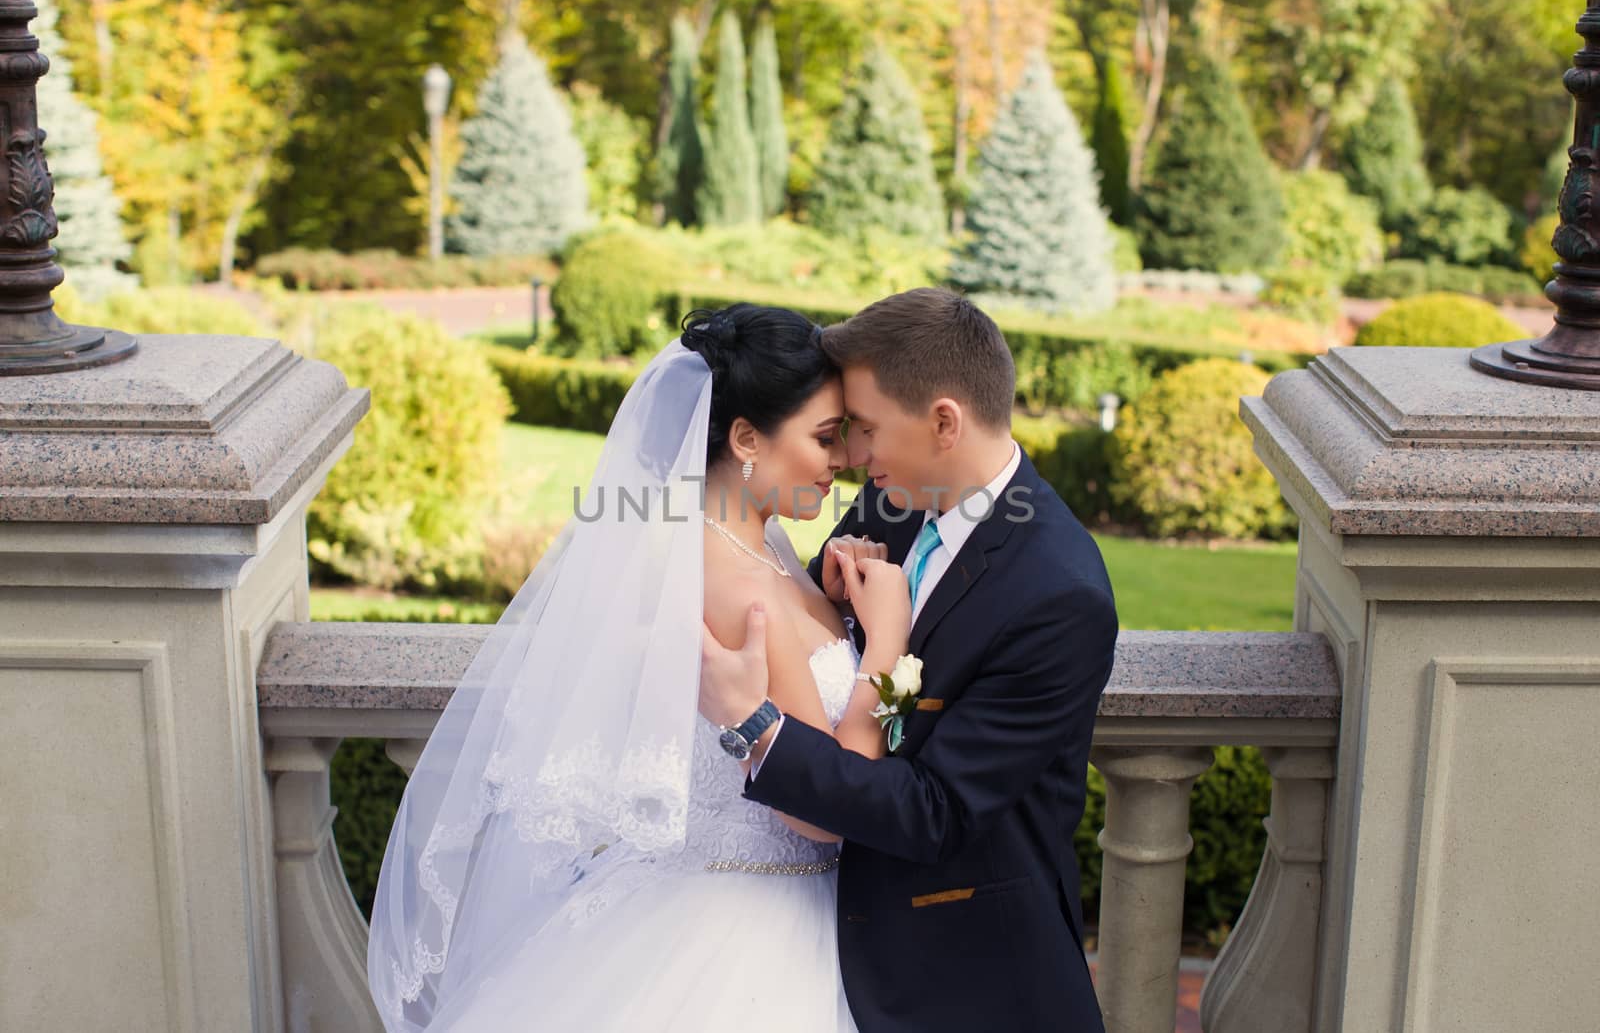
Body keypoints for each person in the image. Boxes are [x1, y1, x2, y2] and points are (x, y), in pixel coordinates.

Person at [367, 303, 912, 1032]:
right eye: (823, 437)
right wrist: (883, 643)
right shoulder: (737, 585)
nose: (843, 459)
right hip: (753, 930)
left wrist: (837, 609)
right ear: (746, 437)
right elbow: (819, 814)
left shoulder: (757, 541)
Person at [700, 286, 1120, 1033]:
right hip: (808, 939)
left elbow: (934, 810)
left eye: (863, 429)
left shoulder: (1059, 593)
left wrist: (752, 725)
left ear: (944, 421)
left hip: (965, 977)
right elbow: (843, 657)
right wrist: (834, 591)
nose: (852, 457)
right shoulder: (895, 502)